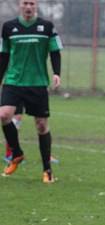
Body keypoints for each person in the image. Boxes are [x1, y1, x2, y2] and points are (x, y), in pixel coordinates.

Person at [0, 0, 62, 183]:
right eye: (25, 3)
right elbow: (3, 55)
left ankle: (47, 170)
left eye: (32, 3)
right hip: (13, 81)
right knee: (4, 115)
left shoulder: (47, 26)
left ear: (36, 6)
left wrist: (57, 73)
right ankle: (17, 153)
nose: (28, 7)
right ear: (20, 5)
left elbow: (55, 51)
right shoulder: (8, 27)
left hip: (37, 82)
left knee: (41, 126)